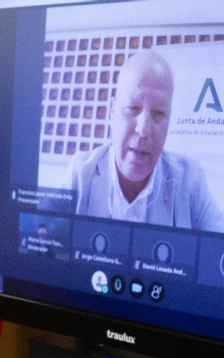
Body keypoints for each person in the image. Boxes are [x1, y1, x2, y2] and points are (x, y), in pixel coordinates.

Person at [42, 51, 224, 231]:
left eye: (158, 113)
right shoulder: (81, 173)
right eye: (132, 108)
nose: (143, 129)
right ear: (112, 111)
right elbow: (38, 227)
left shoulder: (190, 181)